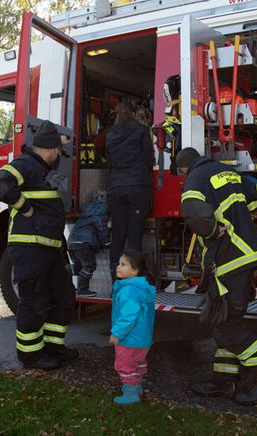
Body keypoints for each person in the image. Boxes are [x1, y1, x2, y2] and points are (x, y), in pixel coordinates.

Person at [174, 147, 257, 406]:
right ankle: (223, 381)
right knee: (222, 319)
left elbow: (193, 213)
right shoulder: (227, 173)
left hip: (229, 259)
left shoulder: (195, 179)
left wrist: (211, 230)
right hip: (245, 257)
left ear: (183, 169)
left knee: (227, 325)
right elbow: (256, 198)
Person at [0, 120, 78, 370]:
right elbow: (1, 185)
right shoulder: (24, 165)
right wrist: (24, 207)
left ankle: (53, 348)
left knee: (63, 297)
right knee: (34, 301)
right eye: (58, 152)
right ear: (50, 150)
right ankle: (30, 356)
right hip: (30, 248)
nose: (59, 156)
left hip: (49, 248)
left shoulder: (40, 169)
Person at [106, 101, 155, 282]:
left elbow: (109, 163)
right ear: (133, 113)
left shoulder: (110, 134)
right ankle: (134, 280)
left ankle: (115, 280)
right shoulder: (141, 131)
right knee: (135, 236)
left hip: (116, 188)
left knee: (118, 234)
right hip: (138, 188)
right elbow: (150, 160)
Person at [109, 249, 156, 405]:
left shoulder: (128, 290)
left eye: (123, 265)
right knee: (138, 363)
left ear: (134, 271)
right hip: (142, 339)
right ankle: (137, 387)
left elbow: (128, 316)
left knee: (125, 365)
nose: (118, 267)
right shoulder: (141, 287)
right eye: (118, 263)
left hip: (129, 339)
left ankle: (130, 395)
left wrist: (116, 333)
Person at [68, 190, 111, 297]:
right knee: (89, 266)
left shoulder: (87, 210)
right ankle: (83, 290)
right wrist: (106, 242)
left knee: (78, 267)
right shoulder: (101, 211)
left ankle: (62, 273)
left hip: (73, 242)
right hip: (84, 243)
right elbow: (102, 228)